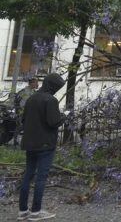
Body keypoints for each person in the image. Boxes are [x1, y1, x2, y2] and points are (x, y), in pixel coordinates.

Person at [17, 73, 65, 221]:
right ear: (53, 86)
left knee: (28, 175)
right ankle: (36, 212)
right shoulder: (50, 100)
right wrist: (64, 116)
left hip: (30, 143)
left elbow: (23, 120)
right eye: (57, 87)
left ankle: (23, 211)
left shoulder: (31, 98)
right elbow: (53, 122)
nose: (57, 90)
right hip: (45, 144)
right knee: (41, 178)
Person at [13, 77, 39, 145]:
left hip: (31, 114)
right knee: (21, 127)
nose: (37, 84)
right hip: (22, 113)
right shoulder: (23, 91)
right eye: (36, 83)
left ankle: (28, 142)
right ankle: (15, 141)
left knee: (30, 128)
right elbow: (16, 102)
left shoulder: (34, 92)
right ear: (32, 83)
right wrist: (18, 112)